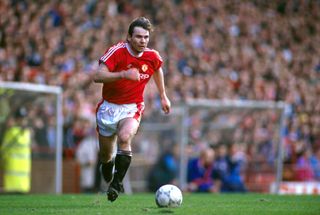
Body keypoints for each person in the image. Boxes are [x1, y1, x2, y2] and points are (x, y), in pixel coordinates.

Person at [93, 17, 171, 202]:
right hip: (108, 108)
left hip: (132, 107)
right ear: (129, 37)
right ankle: (107, 166)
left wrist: (163, 95)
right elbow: (97, 76)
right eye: (138, 37)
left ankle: (116, 184)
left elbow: (157, 69)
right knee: (105, 155)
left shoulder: (152, 56)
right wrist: (123, 74)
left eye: (146, 37)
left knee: (125, 137)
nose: (143, 41)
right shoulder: (117, 51)